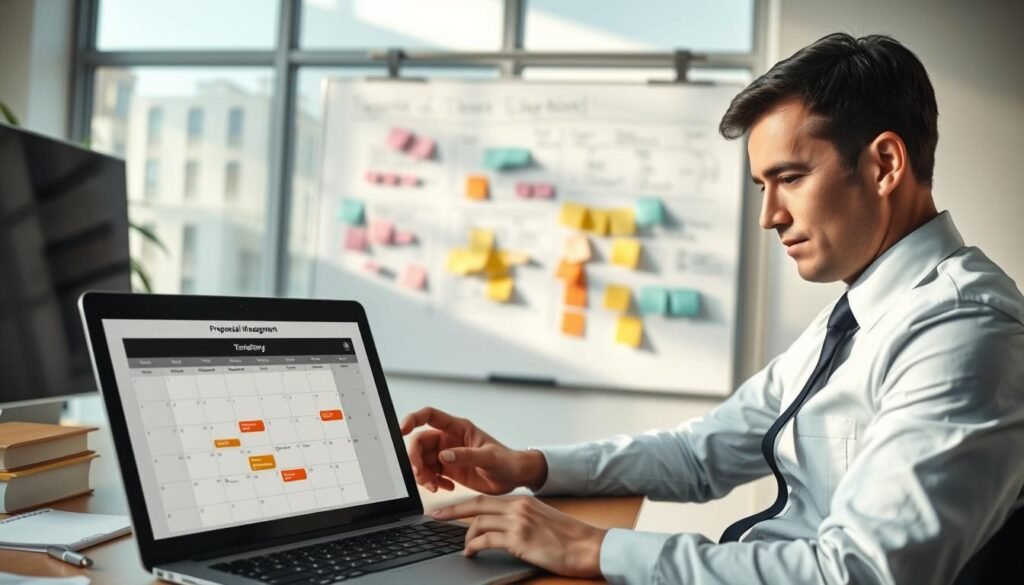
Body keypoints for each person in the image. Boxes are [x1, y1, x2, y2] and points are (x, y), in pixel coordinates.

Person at [401, 33, 1024, 584]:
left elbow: (858, 572)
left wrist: (598, 548)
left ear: (884, 164)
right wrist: (530, 466)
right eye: (762, 186)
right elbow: (700, 453)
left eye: (791, 178)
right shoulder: (864, 312)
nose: (769, 215)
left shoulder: (962, 329)